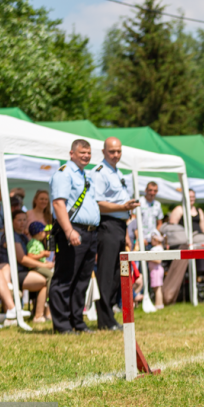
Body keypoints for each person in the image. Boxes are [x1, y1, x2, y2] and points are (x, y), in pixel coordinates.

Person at [49, 139, 100, 334]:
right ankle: (62, 325)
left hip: (89, 232)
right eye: (82, 152)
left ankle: (77, 321)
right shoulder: (64, 173)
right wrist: (69, 231)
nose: (86, 156)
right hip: (72, 230)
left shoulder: (84, 175)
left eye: (88, 153)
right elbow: (58, 204)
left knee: (82, 280)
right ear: (72, 153)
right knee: (65, 279)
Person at [91, 137, 140, 331]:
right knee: (106, 273)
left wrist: (126, 227)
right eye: (112, 151)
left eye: (119, 151)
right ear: (103, 152)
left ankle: (109, 316)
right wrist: (122, 206)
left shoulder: (117, 172)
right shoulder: (99, 172)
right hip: (107, 225)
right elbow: (97, 204)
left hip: (120, 225)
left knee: (116, 273)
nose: (116, 155)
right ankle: (104, 319)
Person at [0, 211, 52, 323]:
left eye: (24, 220)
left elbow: (30, 257)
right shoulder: (11, 236)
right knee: (44, 281)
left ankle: (39, 315)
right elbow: (22, 259)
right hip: (13, 273)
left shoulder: (23, 236)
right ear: (11, 222)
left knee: (45, 281)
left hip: (23, 271)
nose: (22, 223)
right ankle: (39, 315)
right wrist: (44, 265)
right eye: (19, 220)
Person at [147, 230, 165, 309]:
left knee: (157, 289)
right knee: (157, 288)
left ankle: (158, 304)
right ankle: (159, 304)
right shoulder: (157, 248)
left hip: (156, 270)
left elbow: (158, 260)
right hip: (155, 270)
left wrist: (148, 258)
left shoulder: (157, 249)